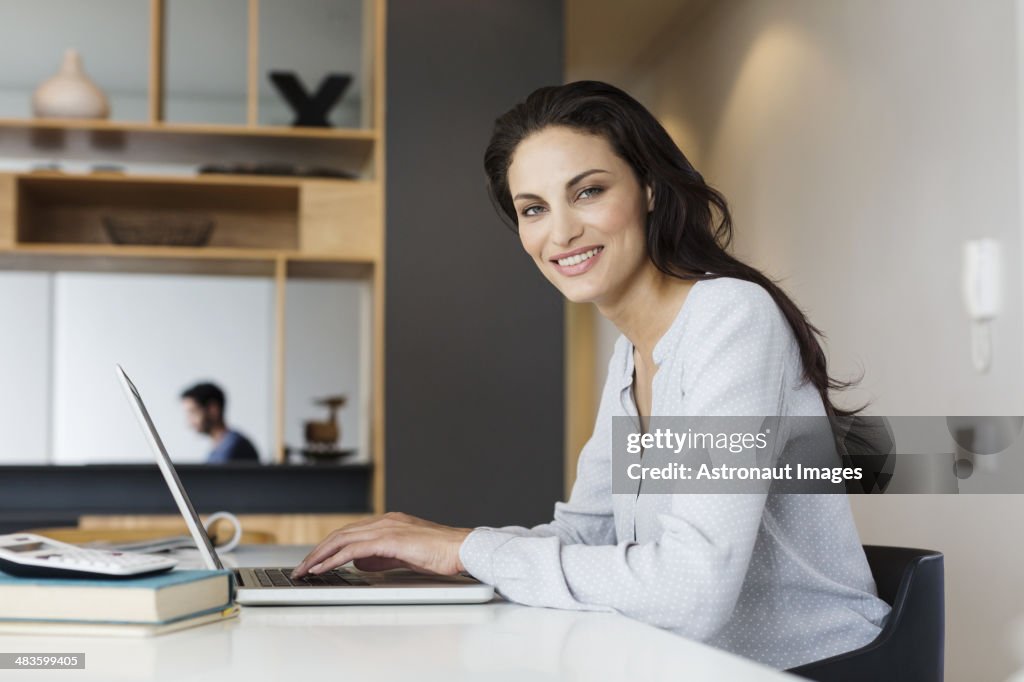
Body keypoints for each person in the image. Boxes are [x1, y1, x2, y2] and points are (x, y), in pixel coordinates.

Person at [290, 81, 891, 670]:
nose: (560, 233)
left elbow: (695, 589)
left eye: (588, 192)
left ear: (649, 189)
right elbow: (587, 536)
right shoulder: (631, 355)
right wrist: (444, 548)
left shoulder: (729, 316)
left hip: (811, 668)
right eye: (534, 209)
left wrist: (464, 549)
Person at [180, 382, 260, 464]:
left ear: (213, 410)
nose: (189, 422)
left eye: (193, 412)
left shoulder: (235, 448)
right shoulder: (218, 449)